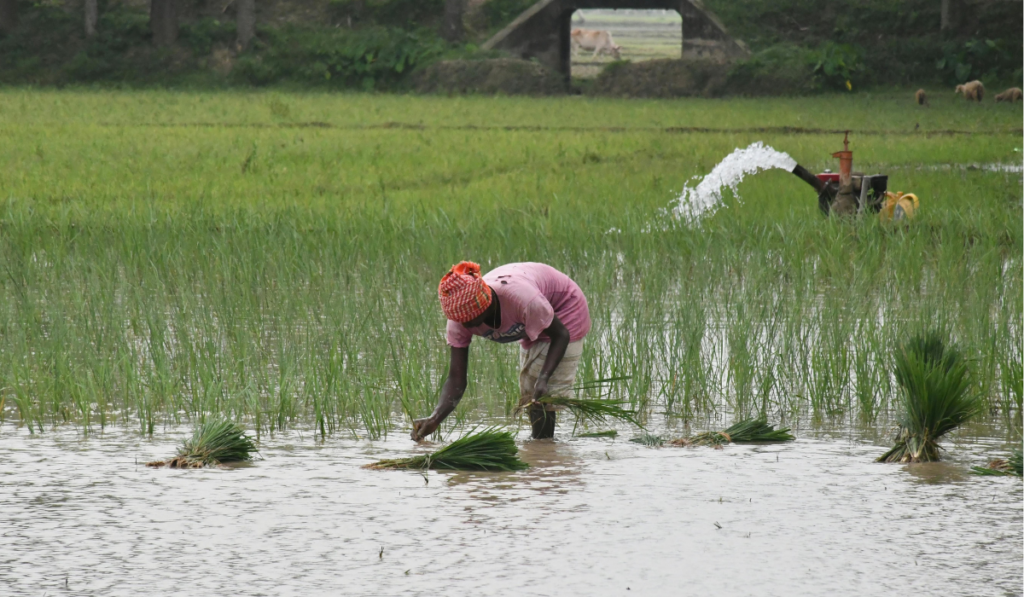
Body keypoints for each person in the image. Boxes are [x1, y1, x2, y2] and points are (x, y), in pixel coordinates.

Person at [411, 261, 591, 441]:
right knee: (530, 388)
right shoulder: (459, 319)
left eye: (471, 320)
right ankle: (541, 446)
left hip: (564, 310)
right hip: (534, 316)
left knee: (542, 389)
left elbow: (560, 334)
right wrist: (435, 419)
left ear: (485, 304)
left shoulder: (521, 301)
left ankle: (543, 449)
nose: (466, 325)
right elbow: (456, 379)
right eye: (461, 321)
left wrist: (544, 378)